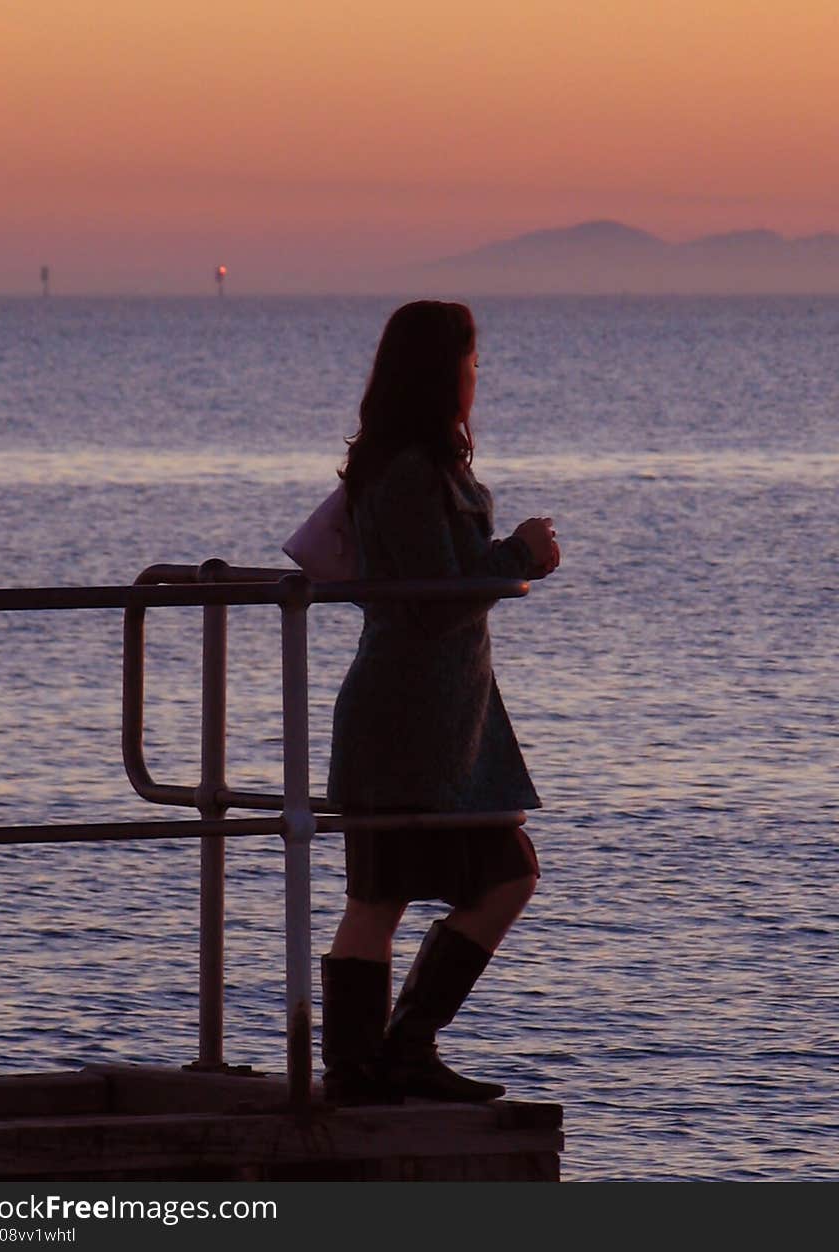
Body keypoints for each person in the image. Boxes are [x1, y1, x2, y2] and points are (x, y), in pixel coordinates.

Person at [322, 300, 560, 1105]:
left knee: (502, 873)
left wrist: (506, 559)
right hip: (404, 720)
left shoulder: (424, 465)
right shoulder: (406, 473)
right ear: (441, 370)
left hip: (452, 725)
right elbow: (431, 595)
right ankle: (372, 1063)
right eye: (471, 362)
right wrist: (520, 555)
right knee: (382, 895)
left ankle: (398, 1049)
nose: (475, 377)